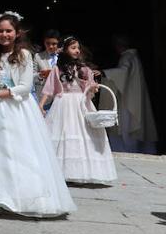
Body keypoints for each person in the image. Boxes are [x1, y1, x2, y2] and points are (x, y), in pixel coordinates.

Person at [0, 12, 75, 217]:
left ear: (17, 33)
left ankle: (19, 194)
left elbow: (25, 87)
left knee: (16, 151)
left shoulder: (24, 55)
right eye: (1, 31)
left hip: (15, 107)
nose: (4, 34)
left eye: (9, 31)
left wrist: (2, 92)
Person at [40, 37, 116, 185]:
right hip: (63, 104)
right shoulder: (58, 69)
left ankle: (84, 171)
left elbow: (91, 87)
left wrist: (93, 87)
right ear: (65, 50)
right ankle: (62, 172)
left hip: (81, 104)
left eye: (78, 48)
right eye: (73, 47)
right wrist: (41, 105)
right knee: (64, 135)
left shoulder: (84, 69)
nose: (77, 50)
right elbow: (49, 89)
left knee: (84, 136)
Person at [103, 35, 158, 154]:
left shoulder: (128, 56)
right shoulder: (133, 56)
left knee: (127, 124)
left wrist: (106, 73)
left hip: (128, 97)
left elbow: (124, 72)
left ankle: (128, 148)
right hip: (132, 94)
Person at [36, 30, 61, 103]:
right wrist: (40, 75)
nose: (50, 46)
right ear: (44, 42)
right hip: (43, 95)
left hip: (60, 95)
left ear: (58, 43)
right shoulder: (38, 56)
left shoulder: (63, 57)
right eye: (48, 43)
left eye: (54, 44)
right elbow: (31, 75)